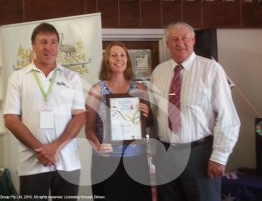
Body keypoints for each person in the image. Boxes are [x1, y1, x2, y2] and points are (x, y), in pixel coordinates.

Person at [149, 22, 240, 201]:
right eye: (174, 39)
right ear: (167, 43)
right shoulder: (159, 71)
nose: (179, 43)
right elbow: (156, 113)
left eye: (184, 38)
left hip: (198, 155)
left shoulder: (211, 69)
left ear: (193, 40)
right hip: (166, 154)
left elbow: (227, 116)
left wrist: (220, 156)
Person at [3, 22, 86, 200]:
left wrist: (55, 148)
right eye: (43, 42)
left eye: (53, 42)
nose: (49, 47)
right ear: (33, 46)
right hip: (32, 163)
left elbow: (80, 116)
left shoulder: (72, 77)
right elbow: (10, 119)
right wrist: (41, 150)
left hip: (67, 163)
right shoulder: (18, 78)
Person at [85, 41, 153, 201]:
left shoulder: (140, 89)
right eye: (113, 55)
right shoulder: (97, 90)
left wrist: (148, 114)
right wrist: (98, 146)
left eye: (122, 55)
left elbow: (148, 124)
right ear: (107, 60)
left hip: (136, 159)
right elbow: (88, 128)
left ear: (127, 60)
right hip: (106, 160)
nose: (119, 58)